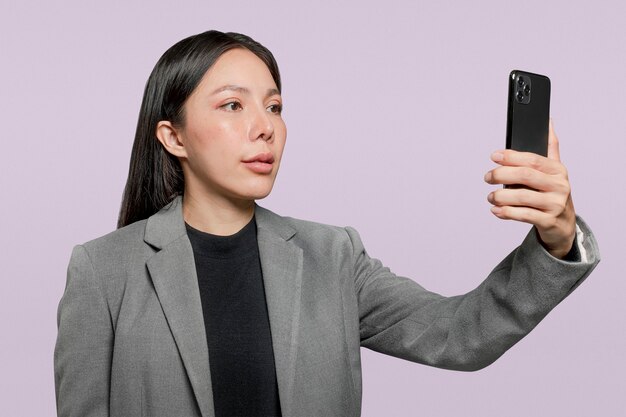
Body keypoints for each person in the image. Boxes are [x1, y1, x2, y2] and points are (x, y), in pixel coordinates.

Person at [54, 30, 600, 417]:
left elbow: (461, 335)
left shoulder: (332, 256)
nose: (264, 128)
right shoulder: (104, 271)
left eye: (274, 106)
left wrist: (555, 241)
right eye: (232, 106)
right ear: (173, 137)